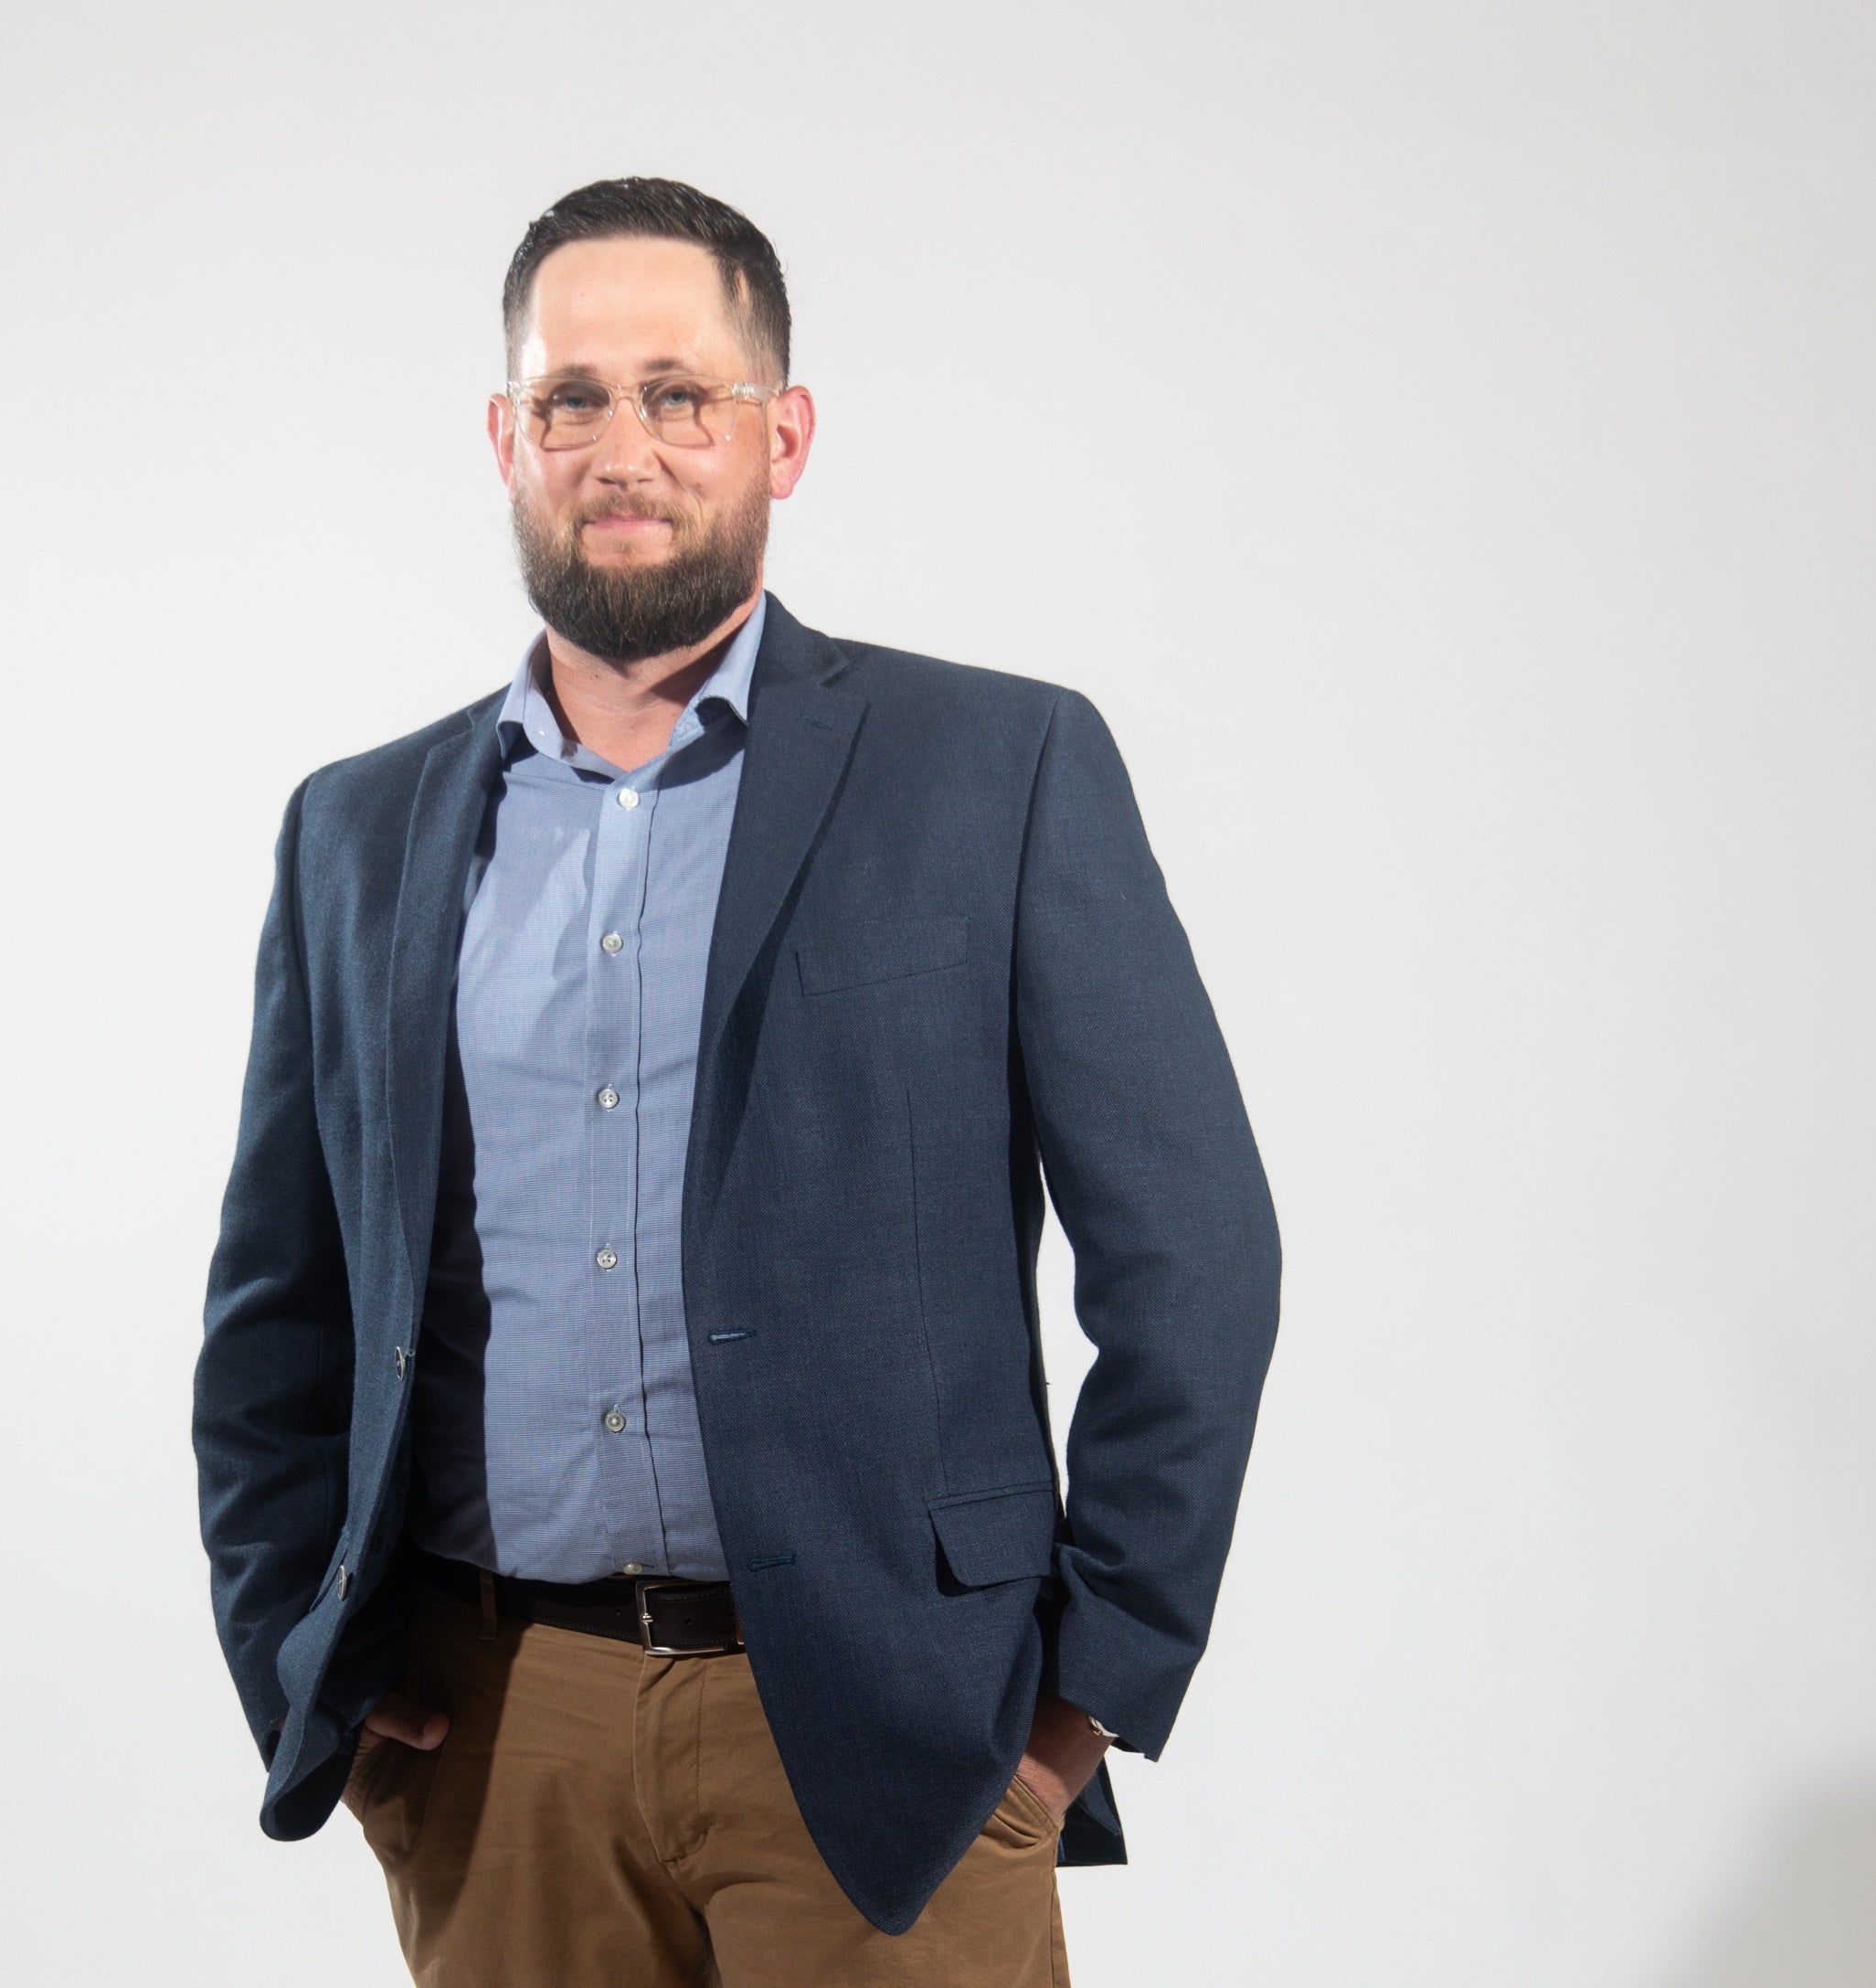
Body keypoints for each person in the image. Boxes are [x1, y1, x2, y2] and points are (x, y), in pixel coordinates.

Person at [195, 175, 1282, 1987]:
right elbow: (274, 1305)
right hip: (494, 1734)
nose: (624, 444)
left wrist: (1083, 1692)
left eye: (678, 392)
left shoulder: (994, 769)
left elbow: (1196, 1259)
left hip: (892, 1737)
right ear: (505, 436)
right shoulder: (359, 828)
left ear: (781, 432)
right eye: (574, 397)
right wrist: (303, 1647)